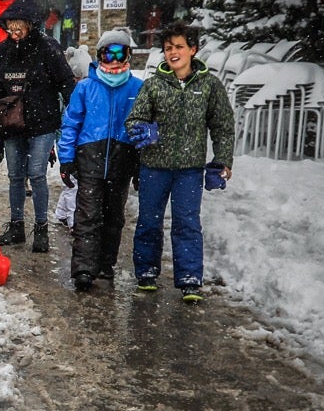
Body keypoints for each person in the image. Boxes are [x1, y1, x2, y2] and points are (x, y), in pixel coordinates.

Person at [125, 19, 235, 302]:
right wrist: (143, 130)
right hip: (154, 167)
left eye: (179, 47)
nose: (173, 52)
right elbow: (134, 119)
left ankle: (189, 278)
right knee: (149, 221)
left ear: (193, 50)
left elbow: (223, 126)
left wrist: (221, 161)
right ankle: (146, 272)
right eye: (168, 48)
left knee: (187, 222)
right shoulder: (153, 86)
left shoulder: (210, 86)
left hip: (189, 169)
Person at [0, 0, 76, 253]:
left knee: (36, 173)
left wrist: (76, 113)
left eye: (19, 28)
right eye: (10, 27)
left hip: (43, 122)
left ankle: (41, 228)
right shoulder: (3, 52)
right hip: (13, 123)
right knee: (15, 175)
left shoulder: (48, 48)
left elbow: (66, 83)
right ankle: (17, 226)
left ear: (30, 25)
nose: (14, 33)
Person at [57, 29, 142, 291]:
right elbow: (71, 123)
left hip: (122, 158)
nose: (114, 59)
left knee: (113, 216)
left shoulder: (137, 88)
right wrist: (67, 157)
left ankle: (106, 263)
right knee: (87, 215)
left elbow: (144, 125)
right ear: (100, 56)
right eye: (108, 53)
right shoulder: (86, 87)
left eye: (120, 53)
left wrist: (140, 163)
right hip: (90, 158)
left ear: (128, 55)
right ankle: (84, 268)